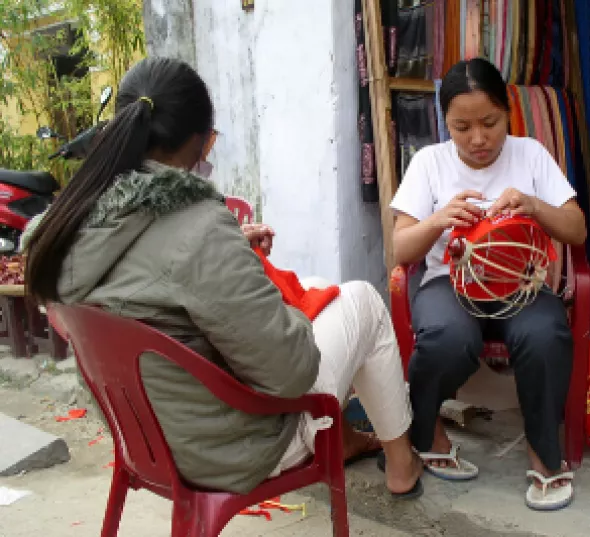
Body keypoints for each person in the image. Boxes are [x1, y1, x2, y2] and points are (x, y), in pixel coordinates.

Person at [22, 57, 422, 499]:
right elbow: (290, 373)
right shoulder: (197, 226)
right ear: (201, 143)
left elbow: (148, 278)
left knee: (312, 291)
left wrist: (229, 253)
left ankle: (347, 439)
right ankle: (401, 464)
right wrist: (265, 292)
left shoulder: (66, 226)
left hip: (143, 440)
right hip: (229, 450)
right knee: (361, 299)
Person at [390, 58, 587, 511]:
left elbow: (575, 229)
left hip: (520, 284)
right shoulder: (429, 163)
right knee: (446, 339)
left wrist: (534, 205)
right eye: (461, 127)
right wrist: (439, 219)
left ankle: (544, 451)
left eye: (489, 123)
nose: (477, 139)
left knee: (544, 335)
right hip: (448, 285)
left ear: (508, 113)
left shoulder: (531, 153)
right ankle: (427, 431)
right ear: (446, 124)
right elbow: (402, 251)